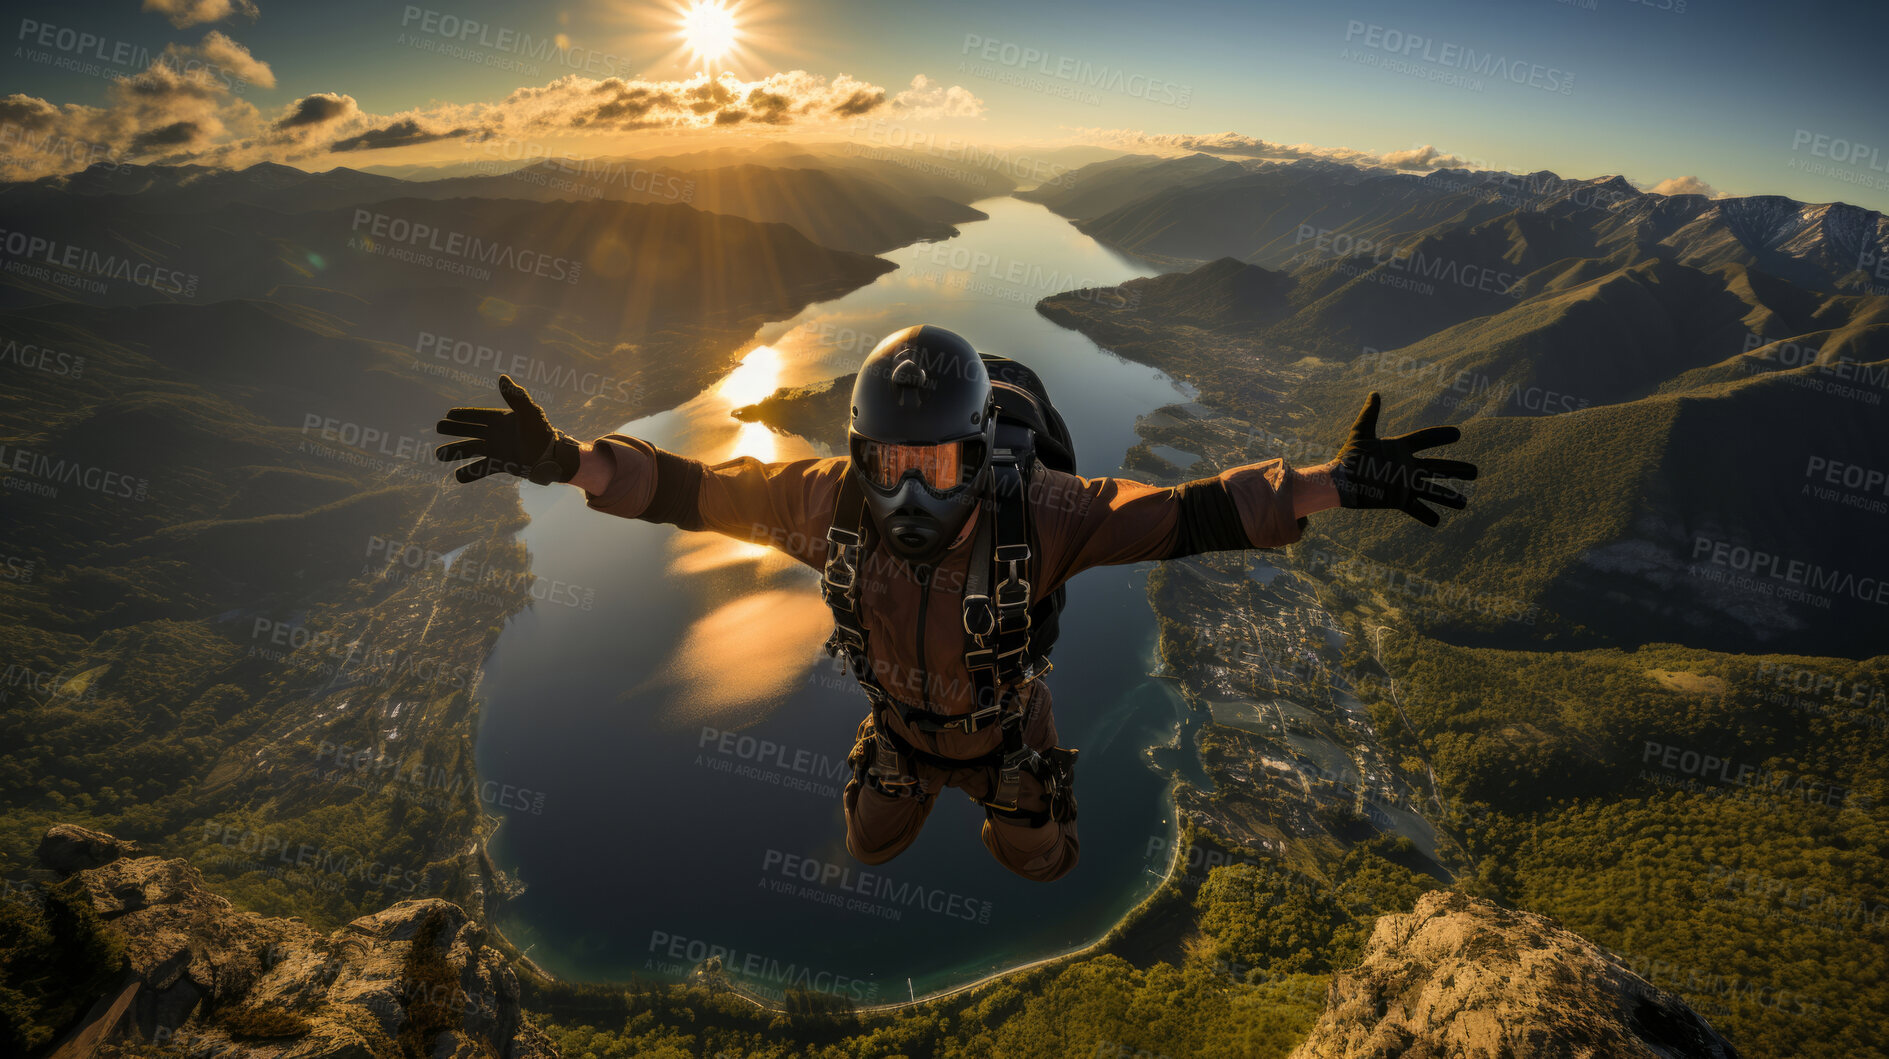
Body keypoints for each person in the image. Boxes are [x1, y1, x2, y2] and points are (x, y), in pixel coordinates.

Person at [435, 325, 1476, 882]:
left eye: (940, 465)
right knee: (870, 845)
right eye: (892, 462)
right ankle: (923, 776)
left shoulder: (1048, 514)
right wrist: (565, 458)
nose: (913, 489)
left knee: (1039, 862)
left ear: (983, 457)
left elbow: (1193, 512)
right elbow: (680, 489)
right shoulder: (823, 504)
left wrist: (1336, 485)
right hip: (898, 726)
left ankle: (1010, 788)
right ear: (858, 455)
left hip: (1004, 730)